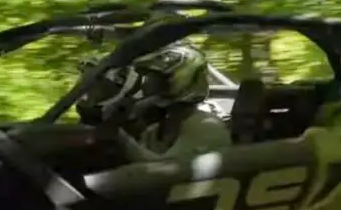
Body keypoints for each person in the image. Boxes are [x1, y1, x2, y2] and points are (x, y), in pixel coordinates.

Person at [76, 43, 232, 157]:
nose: (147, 84)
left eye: (155, 78)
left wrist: (121, 139)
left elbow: (167, 173)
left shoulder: (207, 128)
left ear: (179, 80)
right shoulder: (155, 131)